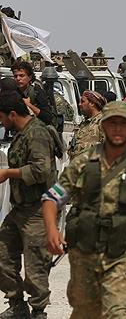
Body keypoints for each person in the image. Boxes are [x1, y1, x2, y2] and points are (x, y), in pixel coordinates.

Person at [42, 101, 126, 317]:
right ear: (103, 126)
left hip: (123, 256)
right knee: (85, 312)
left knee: (117, 311)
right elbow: (52, 199)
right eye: (112, 123)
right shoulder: (83, 163)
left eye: (123, 124)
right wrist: (52, 232)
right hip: (85, 254)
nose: (117, 129)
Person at [0, 94, 59, 319]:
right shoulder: (22, 134)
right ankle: (17, 304)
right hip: (20, 210)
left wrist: (7, 173)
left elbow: (41, 170)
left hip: (38, 210)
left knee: (35, 266)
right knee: (3, 256)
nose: (2, 122)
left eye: (3, 117)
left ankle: (38, 311)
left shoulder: (37, 134)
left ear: (13, 114)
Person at [11, 60, 55, 128]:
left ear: (30, 77)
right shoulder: (13, 92)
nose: (18, 78)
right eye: (15, 76)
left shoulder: (37, 92)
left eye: (21, 75)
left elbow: (47, 118)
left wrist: (29, 105)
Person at [70, 90, 107, 155]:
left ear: (92, 103)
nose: (79, 104)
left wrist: (82, 147)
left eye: (83, 101)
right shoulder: (84, 123)